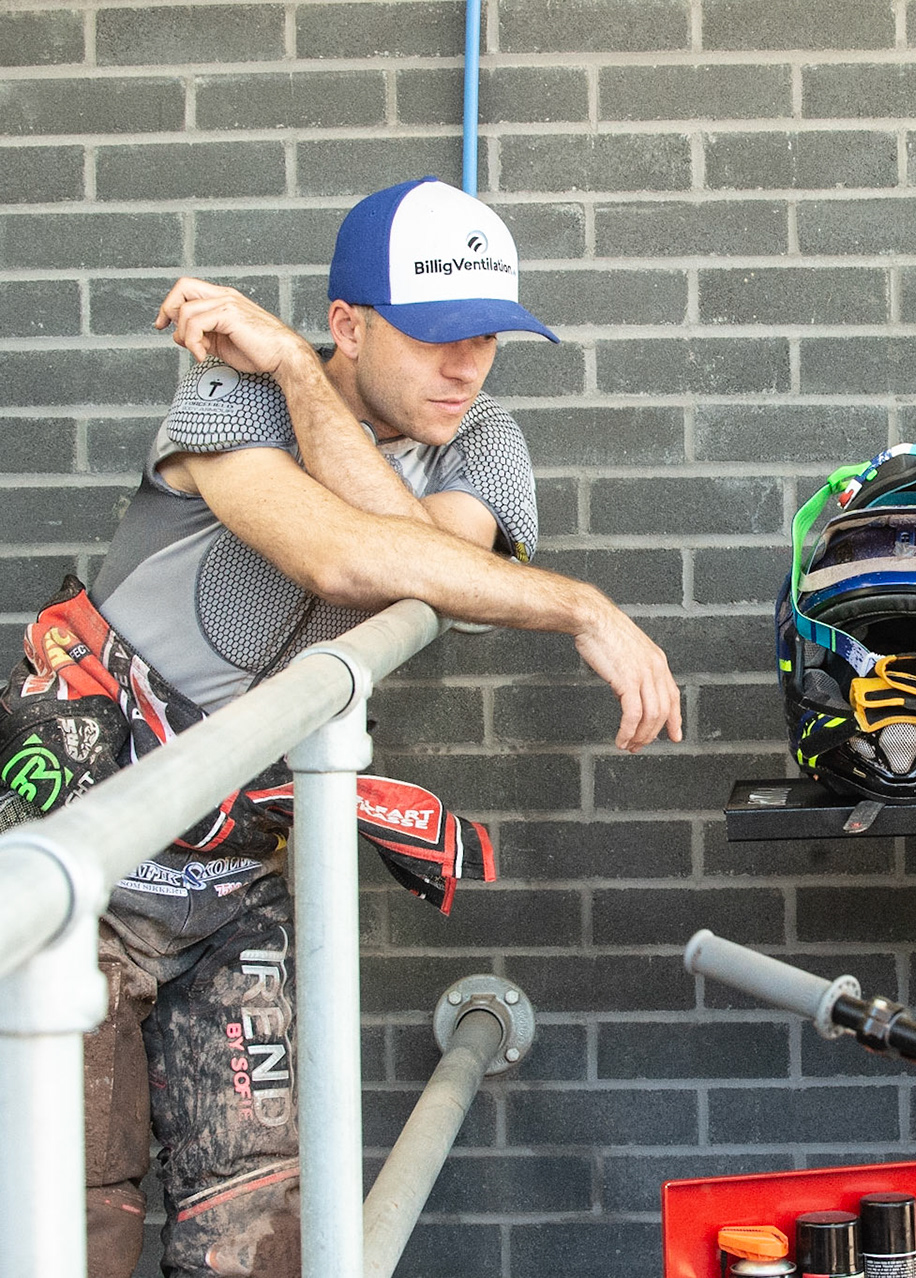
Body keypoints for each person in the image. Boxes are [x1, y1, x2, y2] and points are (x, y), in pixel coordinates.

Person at [5, 176, 681, 1278]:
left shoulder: (484, 440)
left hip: (233, 868)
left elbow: (433, 569)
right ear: (348, 326)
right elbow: (338, 557)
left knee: (261, 1228)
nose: (467, 367)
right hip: (94, 840)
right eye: (433, 338)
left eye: (489, 339)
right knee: (74, 1218)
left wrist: (301, 373)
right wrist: (575, 602)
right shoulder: (231, 399)